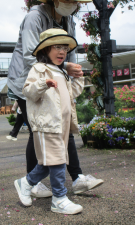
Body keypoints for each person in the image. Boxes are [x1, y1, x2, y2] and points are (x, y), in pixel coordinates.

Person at [7, 0, 103, 197]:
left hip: (57, 79)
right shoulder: (35, 17)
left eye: (75, 1)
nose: (72, 4)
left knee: (64, 127)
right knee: (39, 130)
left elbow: (70, 51)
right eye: (68, 0)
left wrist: (72, 72)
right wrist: (65, 66)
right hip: (29, 80)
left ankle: (76, 178)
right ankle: (31, 183)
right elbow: (29, 55)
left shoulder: (68, 20)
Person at [15, 29, 85, 214]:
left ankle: (26, 182)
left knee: (51, 162)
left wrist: (78, 79)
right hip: (46, 124)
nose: (62, 51)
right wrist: (43, 83)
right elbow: (28, 91)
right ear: (45, 50)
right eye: (57, 47)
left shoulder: (61, 72)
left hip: (61, 125)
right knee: (58, 162)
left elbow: (71, 95)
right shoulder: (39, 68)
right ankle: (59, 198)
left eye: (65, 48)